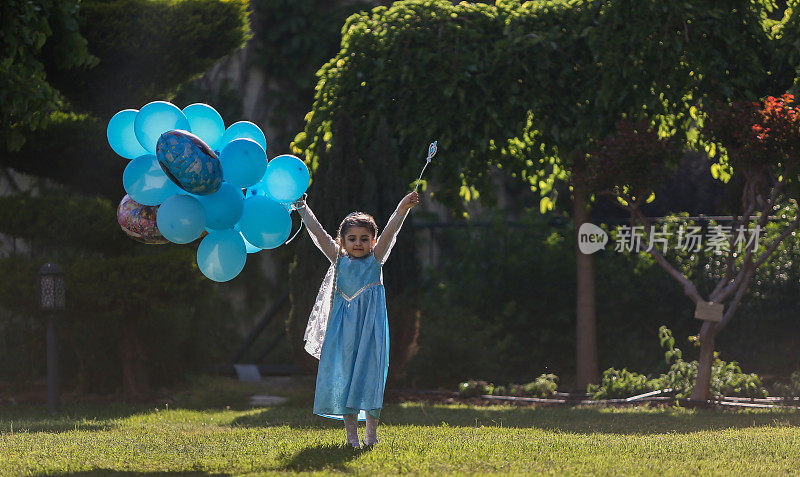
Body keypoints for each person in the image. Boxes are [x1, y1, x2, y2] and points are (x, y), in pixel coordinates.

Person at [292, 191, 420, 449]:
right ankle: (352, 436)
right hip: (343, 335)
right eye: (351, 239)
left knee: (372, 377)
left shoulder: (375, 260)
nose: (358, 243)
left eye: (364, 239)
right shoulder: (338, 260)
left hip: (371, 331)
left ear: (373, 242)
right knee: (346, 378)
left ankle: (371, 435)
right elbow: (318, 235)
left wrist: (402, 208)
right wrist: (303, 208)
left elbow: (391, 231)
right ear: (342, 241)